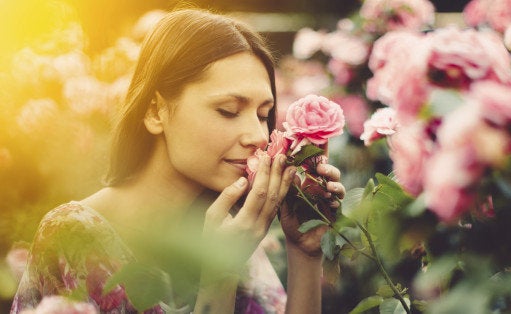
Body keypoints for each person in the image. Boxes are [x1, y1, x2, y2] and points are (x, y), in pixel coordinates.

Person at [10, 7, 345, 314]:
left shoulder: (227, 230)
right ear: (156, 112)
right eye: (228, 111)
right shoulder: (73, 236)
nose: (258, 135)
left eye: (263, 114)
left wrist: (305, 252)